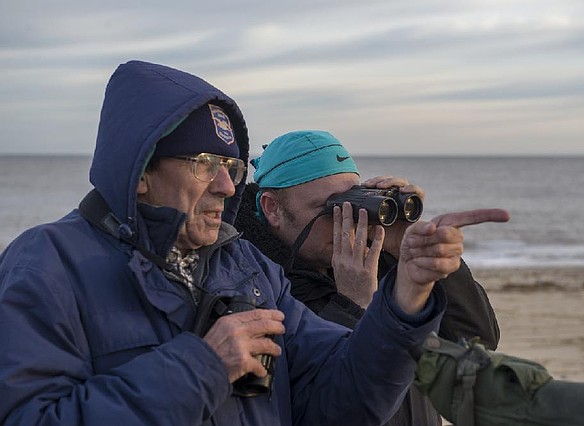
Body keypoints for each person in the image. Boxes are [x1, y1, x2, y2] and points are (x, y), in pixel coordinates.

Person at [0, 60, 500, 426]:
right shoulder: (47, 265)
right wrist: (202, 366)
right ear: (139, 173)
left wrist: (406, 295)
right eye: (204, 164)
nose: (225, 186)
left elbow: (343, 400)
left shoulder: (245, 268)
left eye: (233, 169)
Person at [234, 130, 509, 425]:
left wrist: (412, 251)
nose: (348, 221)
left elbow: (477, 340)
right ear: (272, 209)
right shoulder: (254, 285)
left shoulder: (381, 261)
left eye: (353, 202)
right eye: (330, 209)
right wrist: (354, 304)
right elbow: (323, 401)